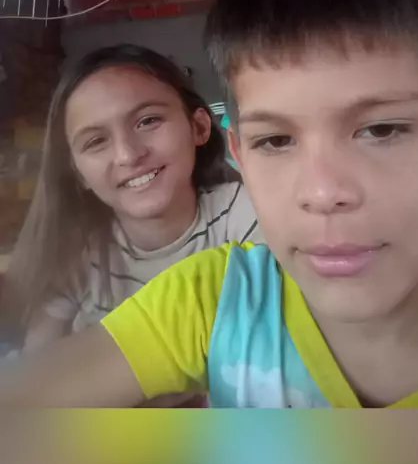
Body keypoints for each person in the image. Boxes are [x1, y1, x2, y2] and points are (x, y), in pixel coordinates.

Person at [3, 0, 418, 408]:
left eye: (381, 130)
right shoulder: (212, 299)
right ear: (241, 157)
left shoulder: (231, 242)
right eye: (275, 140)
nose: (322, 193)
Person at [1, 44, 259, 405]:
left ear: (199, 127)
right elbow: (36, 382)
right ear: (78, 173)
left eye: (147, 121)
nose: (127, 155)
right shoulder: (76, 252)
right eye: (96, 141)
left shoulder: (247, 216)